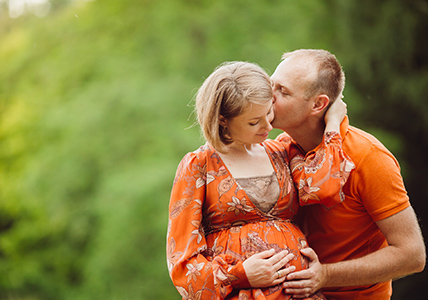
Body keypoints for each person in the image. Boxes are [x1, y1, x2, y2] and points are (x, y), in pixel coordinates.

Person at [166, 61, 354, 300]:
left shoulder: (282, 150)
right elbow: (182, 262)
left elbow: (325, 188)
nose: (268, 126)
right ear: (223, 120)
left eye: (268, 112)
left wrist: (333, 125)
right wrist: (240, 274)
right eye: (254, 122)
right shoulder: (198, 165)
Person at [270, 49, 426, 300]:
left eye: (283, 92)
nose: (269, 96)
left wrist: (325, 275)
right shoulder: (282, 146)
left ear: (318, 104)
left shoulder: (368, 157)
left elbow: (412, 255)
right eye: (271, 85)